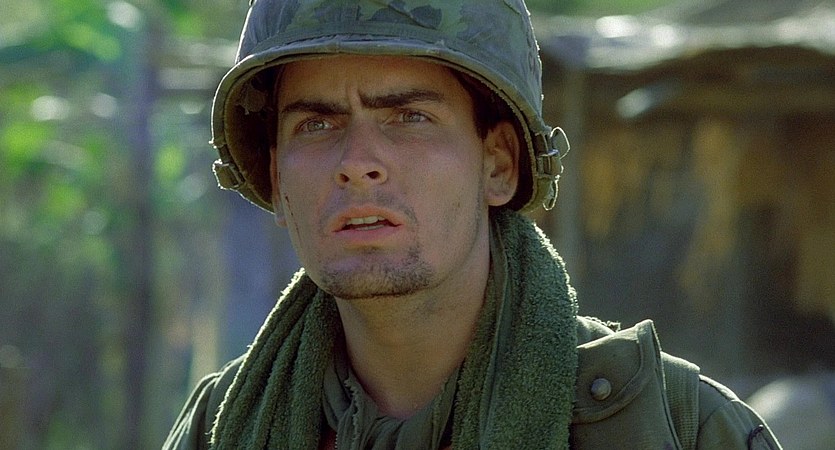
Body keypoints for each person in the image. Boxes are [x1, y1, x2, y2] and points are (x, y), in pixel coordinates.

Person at [164, 0, 782, 449]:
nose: (357, 163)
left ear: (498, 165)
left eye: (409, 117)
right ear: (276, 179)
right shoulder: (222, 427)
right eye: (317, 124)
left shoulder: (671, 429)